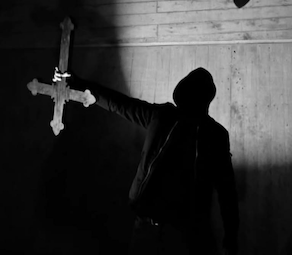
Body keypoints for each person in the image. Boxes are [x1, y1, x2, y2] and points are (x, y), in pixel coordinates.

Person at [54, 66, 239, 255]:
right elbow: (122, 104)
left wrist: (231, 239)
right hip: (146, 227)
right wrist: (79, 84)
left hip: (184, 236)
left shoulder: (215, 135)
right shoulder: (163, 116)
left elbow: (227, 190)